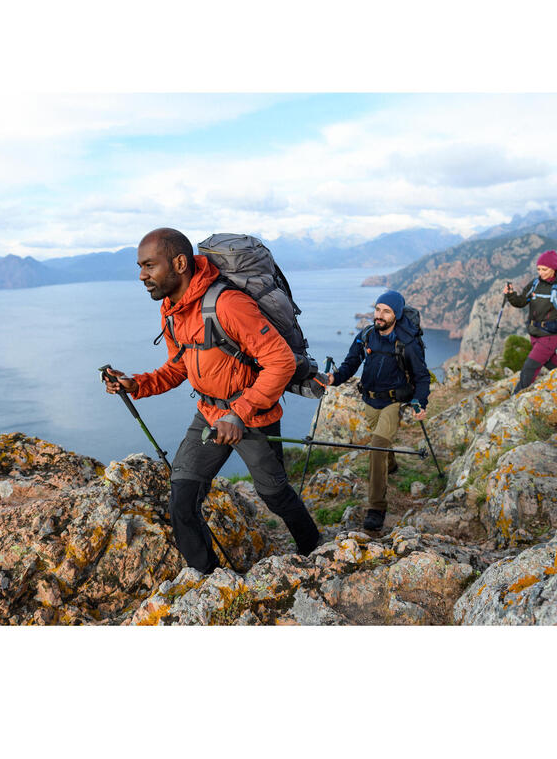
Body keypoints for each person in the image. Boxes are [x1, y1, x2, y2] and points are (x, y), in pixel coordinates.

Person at [103, 228, 320, 574]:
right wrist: (135, 384)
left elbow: (280, 361)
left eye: (149, 266)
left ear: (179, 263)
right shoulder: (172, 309)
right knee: (182, 501)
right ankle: (208, 579)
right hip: (208, 414)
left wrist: (239, 414)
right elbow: (178, 368)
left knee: (275, 495)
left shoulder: (228, 305)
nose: (142, 275)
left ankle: (315, 550)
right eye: (140, 267)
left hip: (251, 416)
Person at [327, 290, 430, 531]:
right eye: (377, 309)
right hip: (370, 401)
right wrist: (335, 378)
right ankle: (391, 464)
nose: (379, 315)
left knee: (376, 446)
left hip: (393, 402)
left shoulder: (407, 342)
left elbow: (422, 376)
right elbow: (351, 363)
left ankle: (376, 507)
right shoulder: (367, 335)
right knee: (382, 443)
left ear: (396, 314)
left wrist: (420, 402)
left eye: (386, 311)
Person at [504, 249, 557, 394]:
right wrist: (511, 295)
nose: (541, 272)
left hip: (551, 334)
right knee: (550, 362)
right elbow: (521, 301)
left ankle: (516, 398)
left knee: (529, 367)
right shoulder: (535, 283)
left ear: (553, 268)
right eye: (538, 269)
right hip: (534, 333)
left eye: (544, 269)